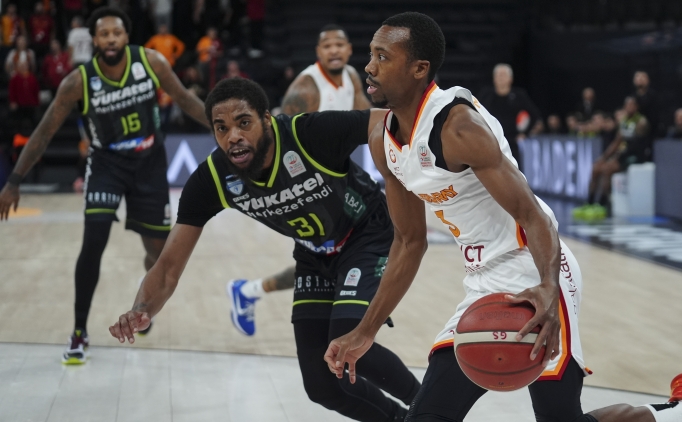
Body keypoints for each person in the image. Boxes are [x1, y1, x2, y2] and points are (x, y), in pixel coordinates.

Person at [324, 12, 682, 422]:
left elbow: (534, 216)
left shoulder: (458, 128)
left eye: (383, 57)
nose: (369, 67)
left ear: (419, 68)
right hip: (483, 282)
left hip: (535, 268)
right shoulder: (382, 140)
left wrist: (548, 288)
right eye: (371, 54)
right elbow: (409, 242)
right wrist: (365, 331)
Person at [109, 77, 420, 422]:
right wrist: (141, 309)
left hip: (366, 232)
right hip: (313, 254)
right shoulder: (212, 180)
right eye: (221, 128)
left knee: (349, 341)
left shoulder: (309, 134)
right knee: (322, 387)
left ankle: (430, 409)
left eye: (244, 123)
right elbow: (168, 267)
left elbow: (386, 121)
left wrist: (400, 168)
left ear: (267, 120)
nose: (233, 136)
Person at [0, 7, 209, 365]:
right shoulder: (79, 81)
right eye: (104, 34)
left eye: (116, 33)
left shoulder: (151, 62)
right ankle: (79, 331)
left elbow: (185, 99)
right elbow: (45, 130)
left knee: (157, 253)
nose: (111, 39)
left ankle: (143, 307)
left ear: (126, 36)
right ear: (94, 40)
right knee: (93, 243)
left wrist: (222, 128)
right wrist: (14, 180)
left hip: (149, 163)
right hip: (106, 165)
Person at [227, 24, 373, 337]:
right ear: (318, 52)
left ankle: (249, 291)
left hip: (335, 176)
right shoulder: (307, 88)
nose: (334, 50)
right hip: (304, 182)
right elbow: (278, 138)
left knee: (331, 257)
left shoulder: (351, 76)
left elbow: (369, 119)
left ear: (349, 50)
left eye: (339, 44)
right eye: (327, 46)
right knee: (330, 256)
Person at [574, 96, 649, 220]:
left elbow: (638, 145)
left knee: (607, 169)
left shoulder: (641, 122)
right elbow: (617, 142)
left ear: (636, 107)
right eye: (626, 105)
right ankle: (590, 202)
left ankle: (602, 204)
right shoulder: (624, 122)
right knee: (596, 167)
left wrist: (618, 157)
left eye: (631, 105)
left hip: (634, 155)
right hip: (621, 155)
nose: (628, 107)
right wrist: (604, 157)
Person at [478, 63, 542, 166]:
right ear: (494, 79)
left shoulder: (519, 95)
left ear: (510, 79)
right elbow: (475, 113)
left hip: (512, 142)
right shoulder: (486, 95)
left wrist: (525, 133)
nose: (501, 78)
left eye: (503, 75)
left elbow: (534, 115)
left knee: (513, 170)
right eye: (498, 75)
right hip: (490, 141)